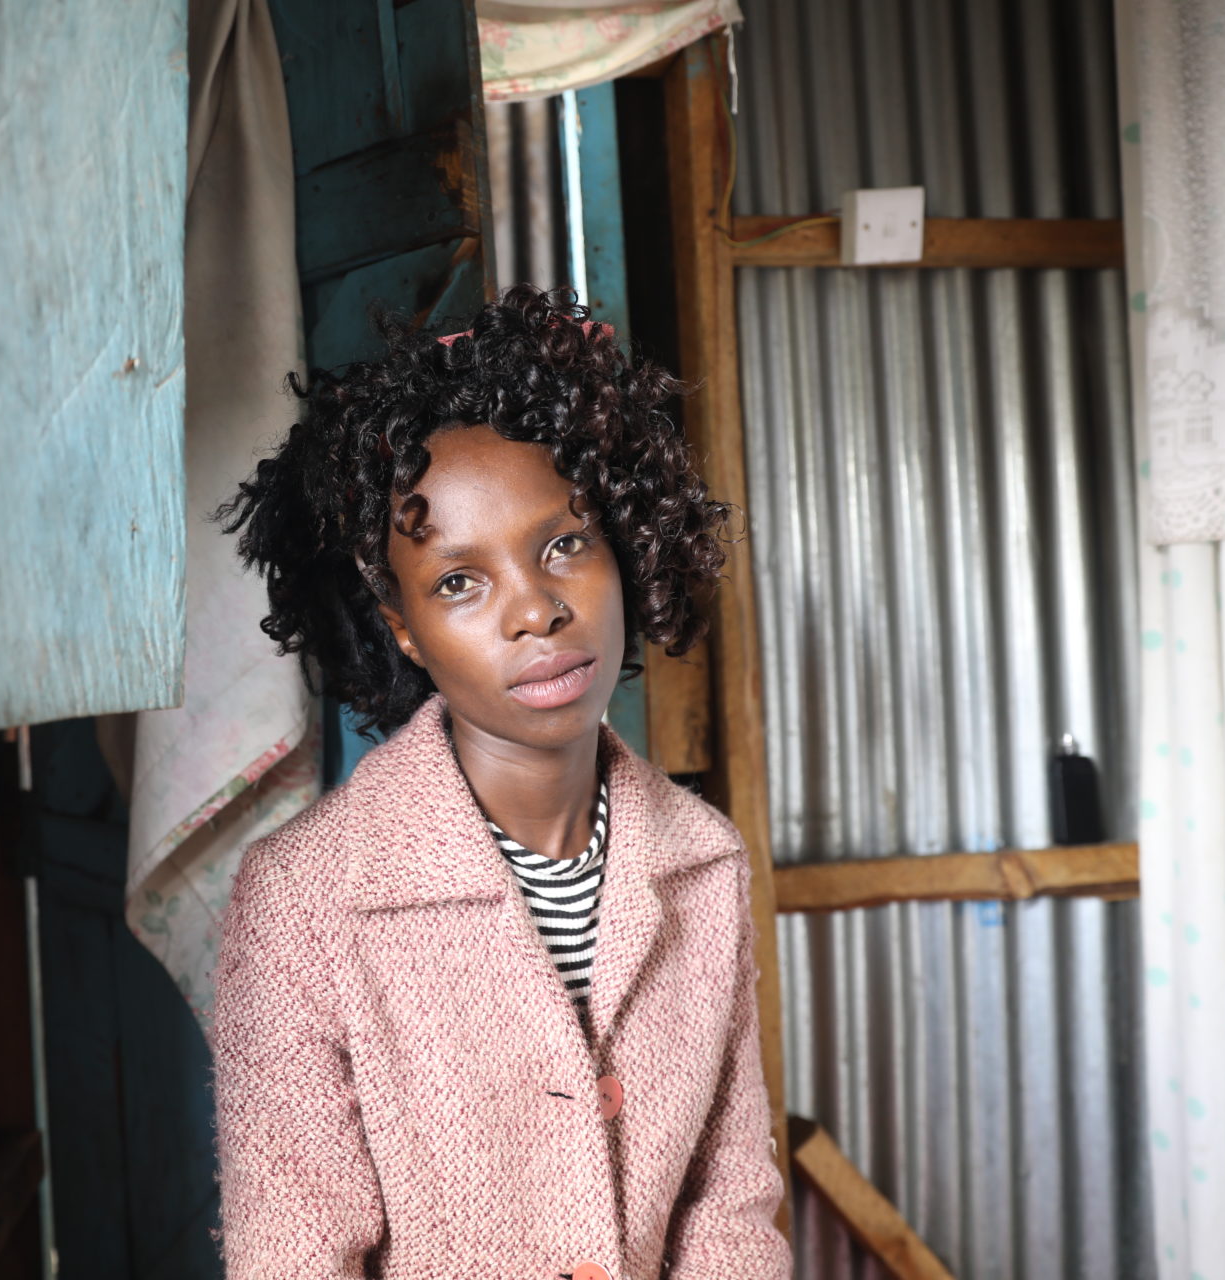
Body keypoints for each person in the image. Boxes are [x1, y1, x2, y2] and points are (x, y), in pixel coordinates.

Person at [209, 284, 791, 1279]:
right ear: (401, 624)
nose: (536, 611)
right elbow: (292, 1257)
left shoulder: (705, 860)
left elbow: (726, 1205)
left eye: (564, 543)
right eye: (459, 582)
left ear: (621, 544)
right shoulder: (302, 900)